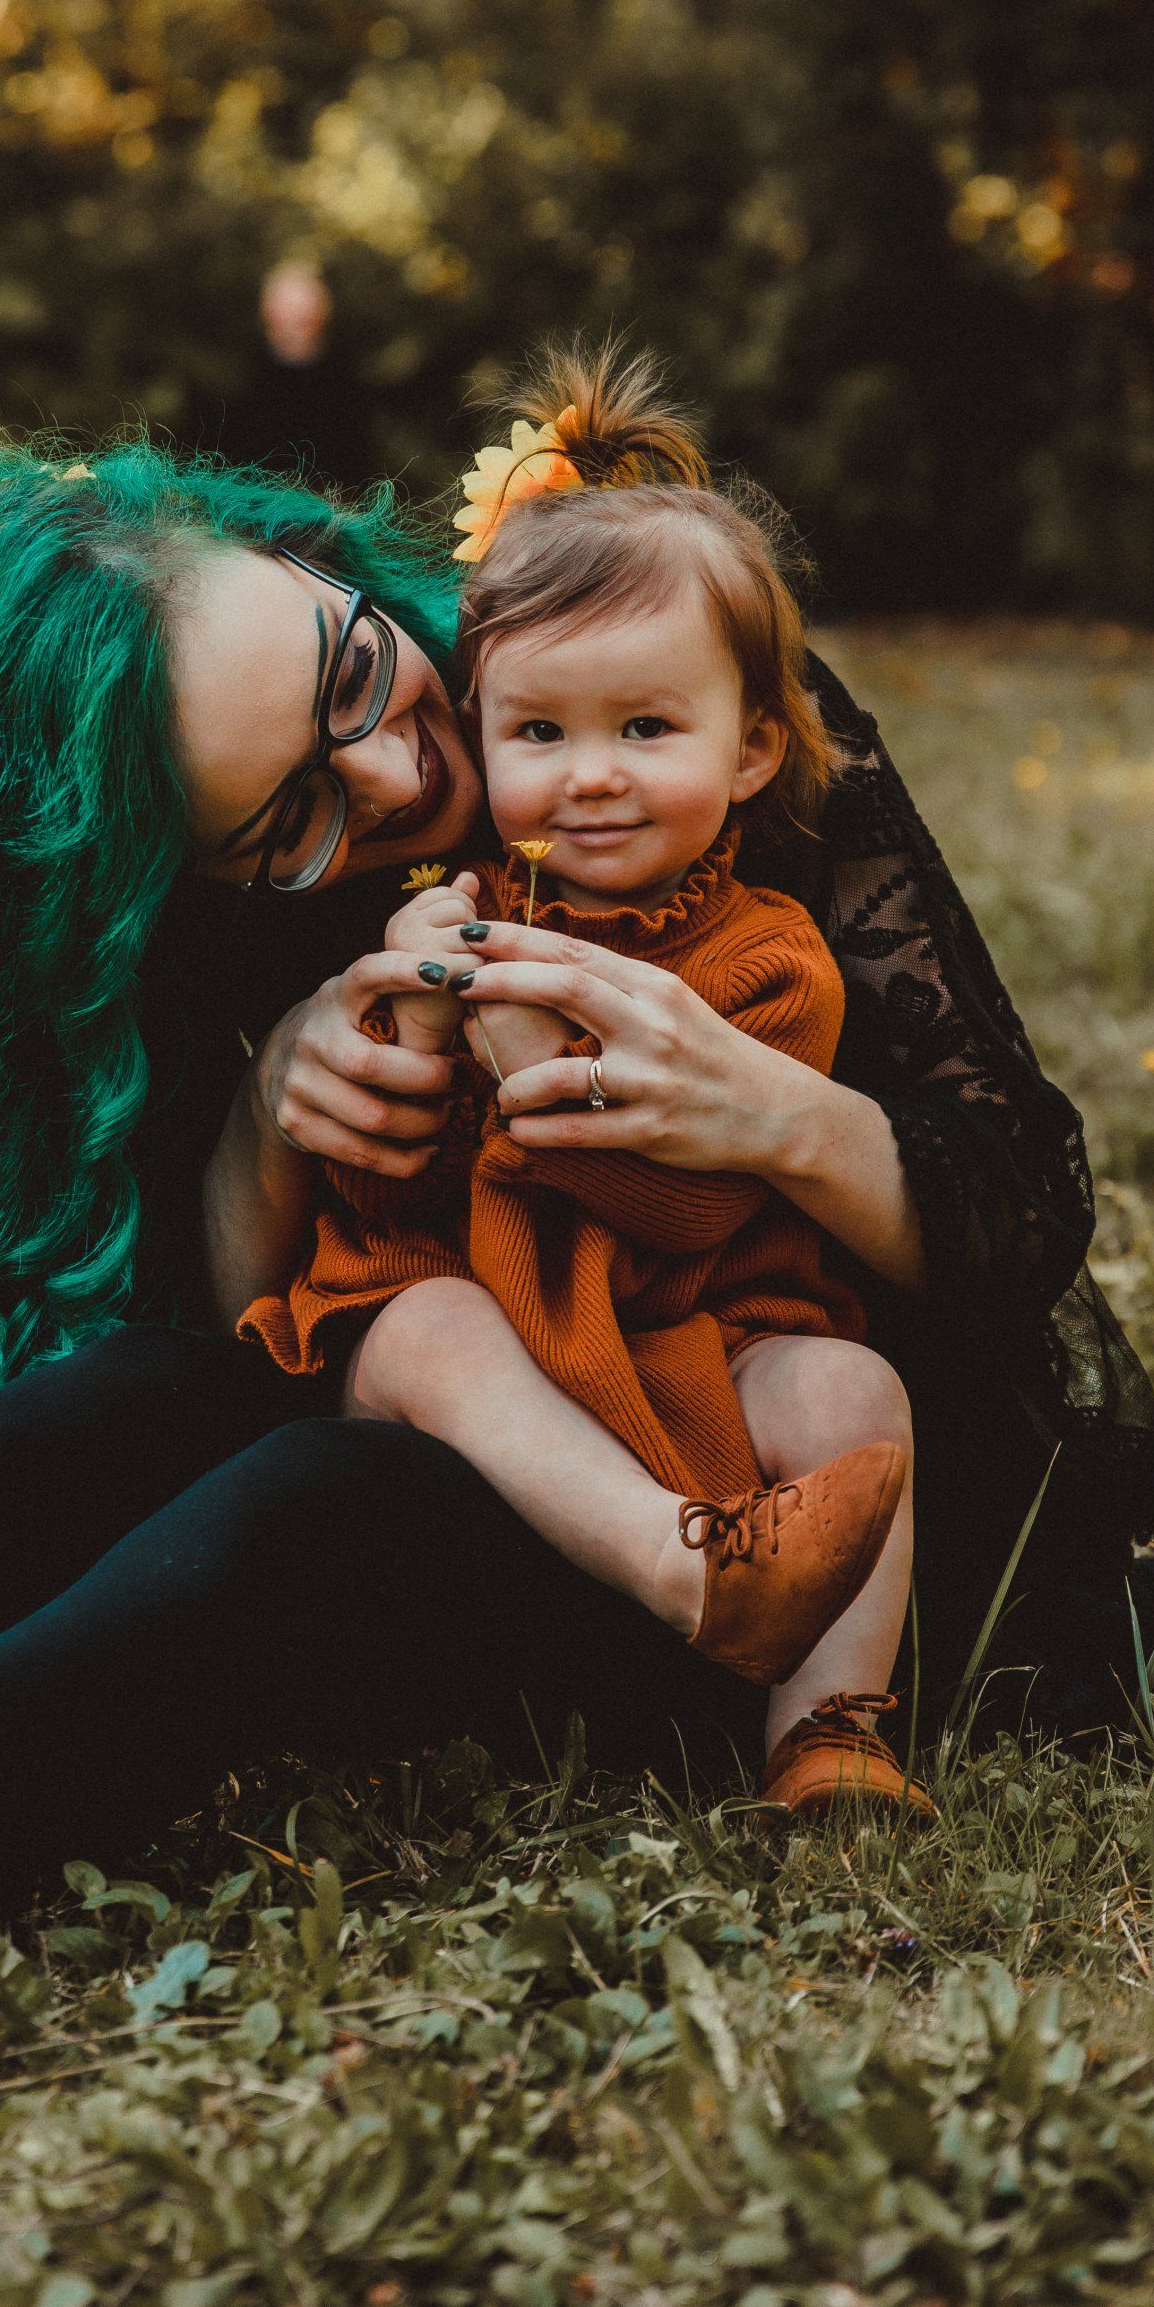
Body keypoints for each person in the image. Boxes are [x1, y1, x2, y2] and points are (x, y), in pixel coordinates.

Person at [0, 376, 1154, 1956]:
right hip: (490, 1405)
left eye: (355, 675)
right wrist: (273, 1111)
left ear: (328, 570)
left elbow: (1021, 1200)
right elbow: (181, 1342)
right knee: (115, 1417)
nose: (394, 773)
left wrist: (770, 1111)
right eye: (288, 818)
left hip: (807, 1477)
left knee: (305, 1509)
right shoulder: (190, 905)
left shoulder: (640, 673)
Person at [242, 352, 927, 1818]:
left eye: (648, 728)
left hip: (677, 1330)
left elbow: (686, 1215)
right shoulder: (449, 919)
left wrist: (531, 1062)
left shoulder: (770, 960)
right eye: (541, 733)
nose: (593, 774)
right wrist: (412, 1028)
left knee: (850, 1385)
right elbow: (377, 1191)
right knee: (422, 1322)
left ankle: (832, 1729)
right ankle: (687, 1567)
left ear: (750, 750)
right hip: (477, 1351)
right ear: (481, 730)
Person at [223, 259, 381, 495]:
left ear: (325, 308)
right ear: (267, 308)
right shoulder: (244, 373)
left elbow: (357, 454)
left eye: (306, 303)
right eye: (289, 305)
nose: (299, 315)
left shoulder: (345, 374)